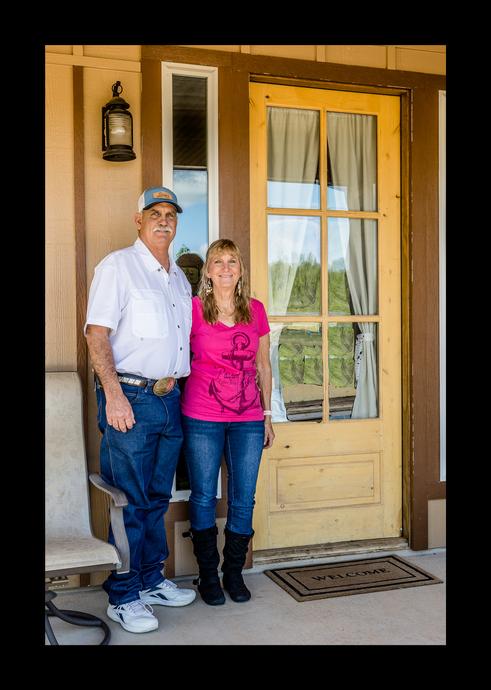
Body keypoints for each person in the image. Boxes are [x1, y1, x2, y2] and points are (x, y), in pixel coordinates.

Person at [84, 186, 196, 634]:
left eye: (171, 214)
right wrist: (113, 395)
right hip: (130, 397)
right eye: (155, 213)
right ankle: (123, 595)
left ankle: (150, 580)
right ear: (139, 220)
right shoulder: (118, 267)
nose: (163, 221)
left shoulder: (178, 278)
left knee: (156, 497)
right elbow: (96, 334)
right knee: (127, 500)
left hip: (170, 399)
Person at [180, 239, 275, 605]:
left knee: (243, 497)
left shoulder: (256, 310)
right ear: (207, 271)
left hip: (248, 418)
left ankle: (233, 573)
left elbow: (263, 365)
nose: (224, 268)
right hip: (201, 415)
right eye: (217, 261)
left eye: (231, 261)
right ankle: (207, 575)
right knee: (204, 495)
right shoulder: (192, 310)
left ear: (240, 269)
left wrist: (267, 415)